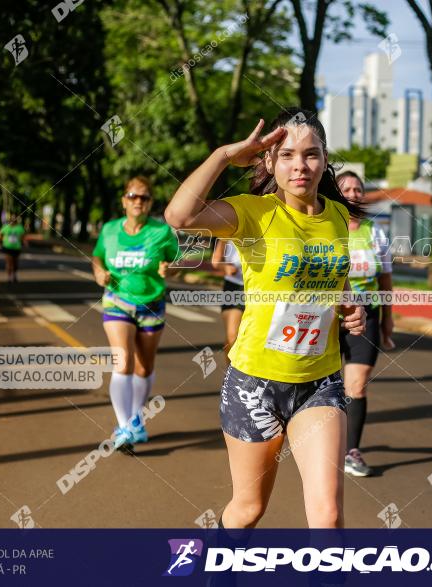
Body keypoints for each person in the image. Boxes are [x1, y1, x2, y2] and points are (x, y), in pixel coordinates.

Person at [165, 108, 366, 529]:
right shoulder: (253, 213)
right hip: (255, 384)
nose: (300, 166)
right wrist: (222, 155)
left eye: (311, 154)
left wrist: (349, 304)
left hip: (320, 382)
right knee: (249, 509)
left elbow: (332, 280)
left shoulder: (334, 217)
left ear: (325, 159)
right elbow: (179, 217)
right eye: (287, 154)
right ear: (269, 161)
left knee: (328, 515)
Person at [92, 176, 179, 450]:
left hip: (152, 303)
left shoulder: (161, 232)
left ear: (150, 202)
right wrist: (98, 271)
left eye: (143, 197)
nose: (138, 201)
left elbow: (176, 262)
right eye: (133, 196)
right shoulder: (109, 230)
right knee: (124, 360)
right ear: (124, 201)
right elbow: (97, 256)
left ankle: (136, 419)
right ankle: (125, 426)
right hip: (117, 301)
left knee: (144, 366)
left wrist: (170, 269)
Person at [336, 171, 395, 477]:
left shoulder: (375, 232)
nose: (354, 193)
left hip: (366, 316)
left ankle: (350, 451)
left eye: (358, 189)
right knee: (323, 386)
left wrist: (388, 322)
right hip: (328, 318)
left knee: (356, 385)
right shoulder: (326, 227)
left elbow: (385, 281)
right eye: (346, 188)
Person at [211, 239, 245, 361]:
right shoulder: (228, 231)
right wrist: (226, 267)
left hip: (258, 290)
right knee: (232, 337)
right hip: (235, 287)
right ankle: (230, 375)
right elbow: (216, 261)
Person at [0, 214, 25, 283]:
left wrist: (23, 242)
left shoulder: (19, 228)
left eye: (14, 220)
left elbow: (22, 236)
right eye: (11, 220)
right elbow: (0, 235)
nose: (13, 221)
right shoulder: (5, 227)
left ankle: (14, 275)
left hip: (16, 248)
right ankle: (9, 277)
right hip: (7, 247)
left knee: (15, 263)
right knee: (9, 262)